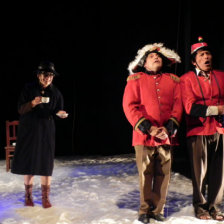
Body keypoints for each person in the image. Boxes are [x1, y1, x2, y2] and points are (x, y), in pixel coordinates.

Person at [122, 43, 183, 223]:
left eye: (158, 57)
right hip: (144, 136)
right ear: (144, 63)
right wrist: (149, 127)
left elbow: (178, 105)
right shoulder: (136, 79)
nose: (156, 58)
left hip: (166, 136)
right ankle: (144, 210)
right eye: (151, 57)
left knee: (163, 175)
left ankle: (158, 210)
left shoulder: (173, 80)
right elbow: (129, 106)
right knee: (145, 174)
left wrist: (168, 128)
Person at [11, 60, 68, 208]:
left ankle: (45, 198)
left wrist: (60, 113)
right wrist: (32, 103)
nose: (47, 78)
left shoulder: (56, 93)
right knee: (29, 163)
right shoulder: (28, 89)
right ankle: (28, 196)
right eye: (44, 74)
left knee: (45, 164)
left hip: (46, 131)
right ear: (38, 75)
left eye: (50, 75)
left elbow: (58, 111)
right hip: (29, 131)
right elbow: (20, 110)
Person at [180, 37, 224, 221]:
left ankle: (214, 205)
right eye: (201, 54)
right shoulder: (186, 79)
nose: (206, 57)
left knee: (219, 172)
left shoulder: (221, 75)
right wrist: (217, 109)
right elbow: (189, 107)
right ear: (194, 61)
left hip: (220, 129)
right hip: (198, 130)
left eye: (208, 53)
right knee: (200, 173)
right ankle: (200, 207)